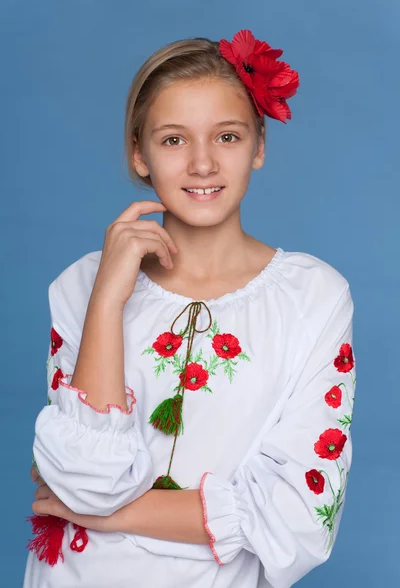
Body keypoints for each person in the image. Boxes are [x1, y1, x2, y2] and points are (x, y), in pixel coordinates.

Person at [23, 29, 356, 588]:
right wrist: (108, 299)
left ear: (259, 145)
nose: (202, 163)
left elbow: (299, 519)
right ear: (139, 153)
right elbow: (85, 479)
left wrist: (102, 512)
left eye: (226, 136)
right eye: (174, 140)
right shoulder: (82, 284)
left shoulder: (315, 299)